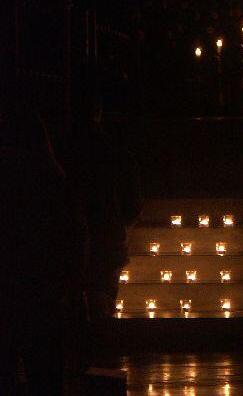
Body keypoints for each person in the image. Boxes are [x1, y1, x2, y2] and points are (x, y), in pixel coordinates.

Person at [0, 101, 88, 393]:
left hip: (13, 297)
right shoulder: (57, 186)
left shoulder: (12, 190)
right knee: (46, 377)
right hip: (46, 299)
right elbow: (76, 240)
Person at [63, 95, 143, 321]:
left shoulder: (63, 152)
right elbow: (133, 205)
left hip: (70, 241)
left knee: (73, 313)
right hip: (108, 242)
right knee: (102, 308)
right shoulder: (116, 153)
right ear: (98, 113)